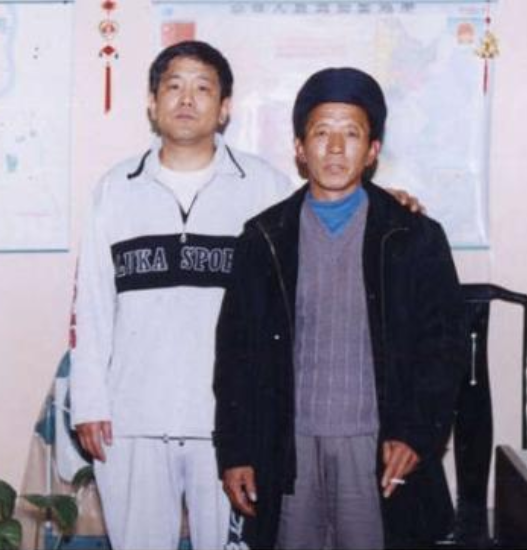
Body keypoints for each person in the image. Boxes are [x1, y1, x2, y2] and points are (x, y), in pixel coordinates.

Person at [70, 41, 424, 550]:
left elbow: (332, 200)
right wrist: (89, 403)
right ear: (151, 102)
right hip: (132, 417)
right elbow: (92, 306)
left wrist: (390, 200)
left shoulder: (263, 186)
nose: (186, 99)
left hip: (233, 423)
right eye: (173, 86)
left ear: (225, 108)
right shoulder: (114, 189)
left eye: (203, 88)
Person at [213, 67, 467, 550]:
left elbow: (444, 348)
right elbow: (236, 357)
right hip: (289, 449)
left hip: (376, 449)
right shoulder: (264, 239)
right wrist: (236, 451)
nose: (334, 148)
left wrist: (416, 434)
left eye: (351, 134)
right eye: (320, 133)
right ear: (299, 148)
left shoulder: (413, 236)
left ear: (372, 151)